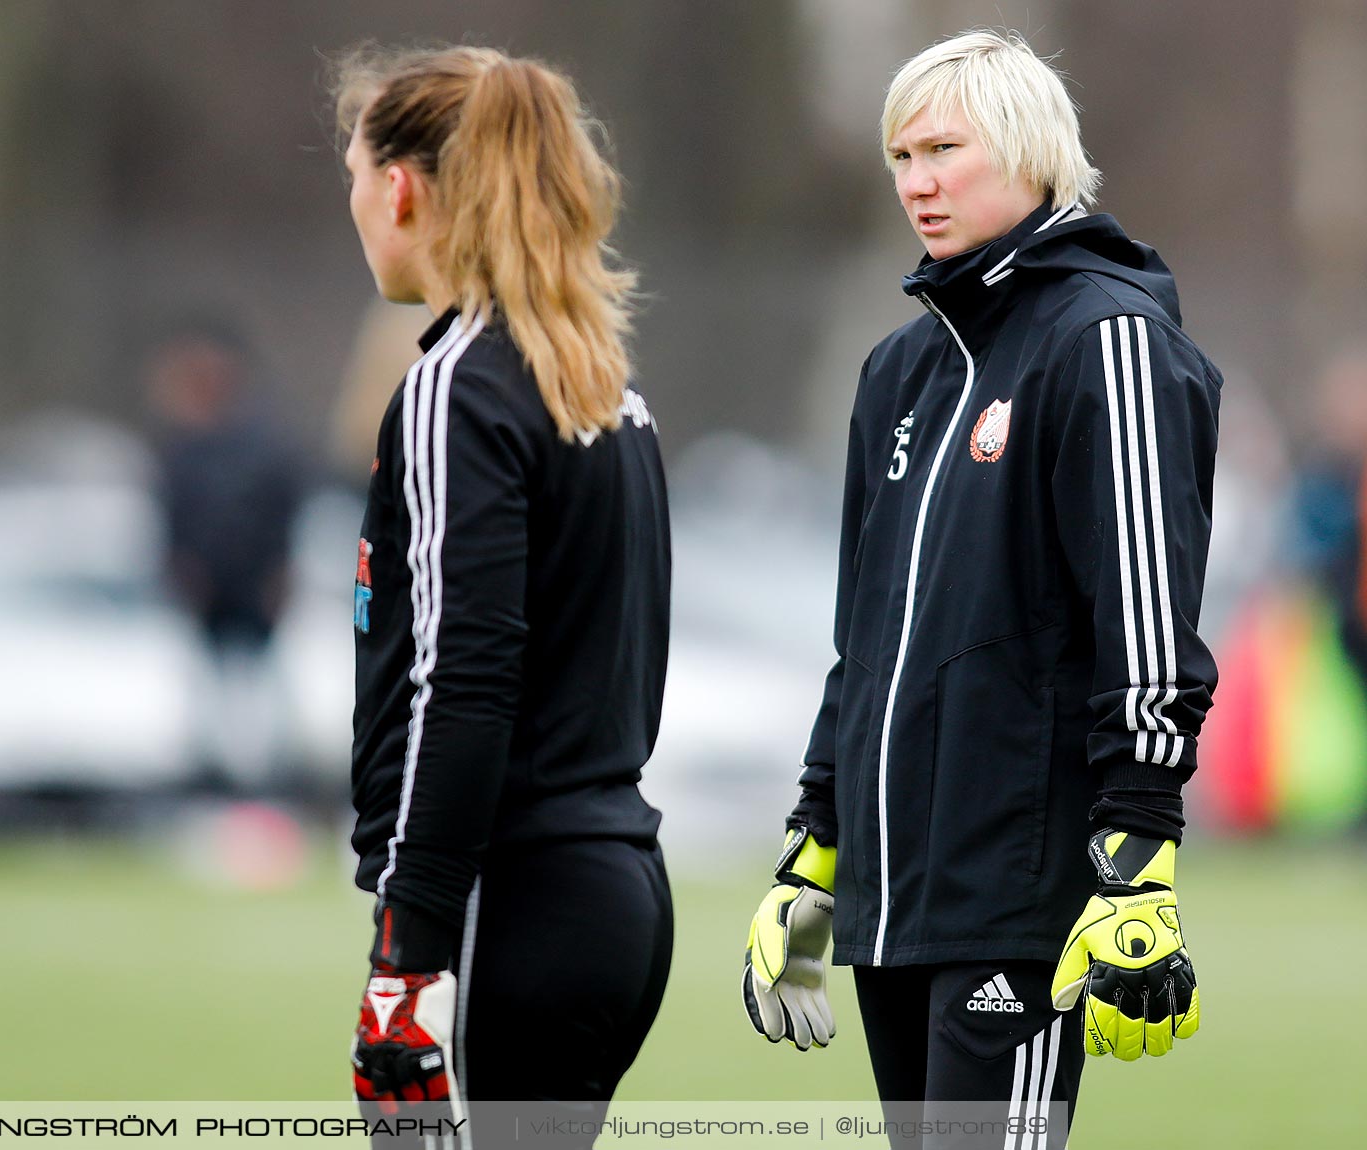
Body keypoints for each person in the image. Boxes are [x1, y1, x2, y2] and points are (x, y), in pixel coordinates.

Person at [741, 31, 1219, 1147]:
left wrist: (1138, 855)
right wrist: (815, 850)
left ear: (1029, 151)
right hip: (894, 907)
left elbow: (1145, 621)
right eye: (901, 154)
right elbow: (865, 644)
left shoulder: (1108, 340)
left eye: (945, 148)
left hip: (1021, 900)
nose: (916, 181)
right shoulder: (897, 371)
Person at [334, 44, 674, 1139]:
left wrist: (408, 951)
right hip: (615, 890)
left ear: (402, 186)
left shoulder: (452, 386)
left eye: (352, 173)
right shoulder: (608, 388)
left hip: (509, 907)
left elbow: (462, 675)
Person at [144, 319, 302, 792]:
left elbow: (284, 510)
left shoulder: (263, 445)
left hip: (255, 590)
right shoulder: (179, 449)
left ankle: (272, 785)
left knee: (266, 701)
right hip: (206, 595)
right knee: (206, 702)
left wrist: (280, 573)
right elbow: (168, 520)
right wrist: (180, 571)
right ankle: (209, 784)